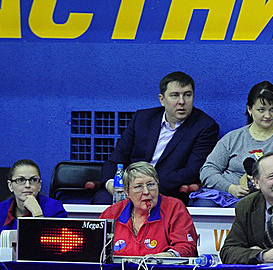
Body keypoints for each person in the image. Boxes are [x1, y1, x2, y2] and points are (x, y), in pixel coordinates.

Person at [93, 71, 219, 204]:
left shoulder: (205, 126)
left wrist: (144, 187)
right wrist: (111, 184)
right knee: (103, 200)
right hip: (129, 187)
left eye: (187, 95)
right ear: (162, 99)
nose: (182, 102)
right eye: (174, 95)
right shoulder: (142, 119)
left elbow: (191, 172)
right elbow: (116, 159)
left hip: (166, 191)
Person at [194, 81, 273, 207]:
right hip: (228, 194)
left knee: (245, 209)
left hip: (269, 198)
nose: (268, 115)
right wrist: (230, 188)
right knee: (203, 205)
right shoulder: (233, 138)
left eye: (272, 109)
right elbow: (207, 170)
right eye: (261, 110)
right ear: (249, 109)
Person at [100, 161, 198, 257]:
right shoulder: (112, 213)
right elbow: (96, 248)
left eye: (151, 185)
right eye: (138, 187)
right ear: (127, 191)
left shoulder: (174, 207)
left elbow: (186, 247)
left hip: (160, 267)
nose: (146, 192)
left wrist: (168, 256)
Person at [0, 159, 67, 255]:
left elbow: (55, 251)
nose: (27, 185)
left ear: (39, 185)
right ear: (10, 186)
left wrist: (38, 214)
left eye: (33, 180)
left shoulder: (55, 209)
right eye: (20, 180)